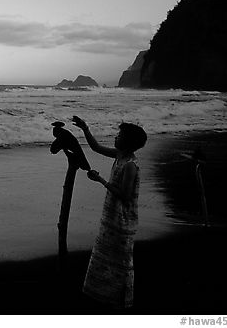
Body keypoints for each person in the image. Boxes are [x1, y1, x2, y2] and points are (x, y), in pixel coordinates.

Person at [71, 115, 147, 310]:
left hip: (122, 219)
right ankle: (103, 293)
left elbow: (125, 195)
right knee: (106, 255)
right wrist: (85, 128)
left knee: (120, 259)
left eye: (119, 135)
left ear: (127, 141)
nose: (115, 137)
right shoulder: (120, 155)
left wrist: (101, 180)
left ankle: (120, 298)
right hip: (112, 216)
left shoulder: (129, 164)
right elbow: (96, 148)